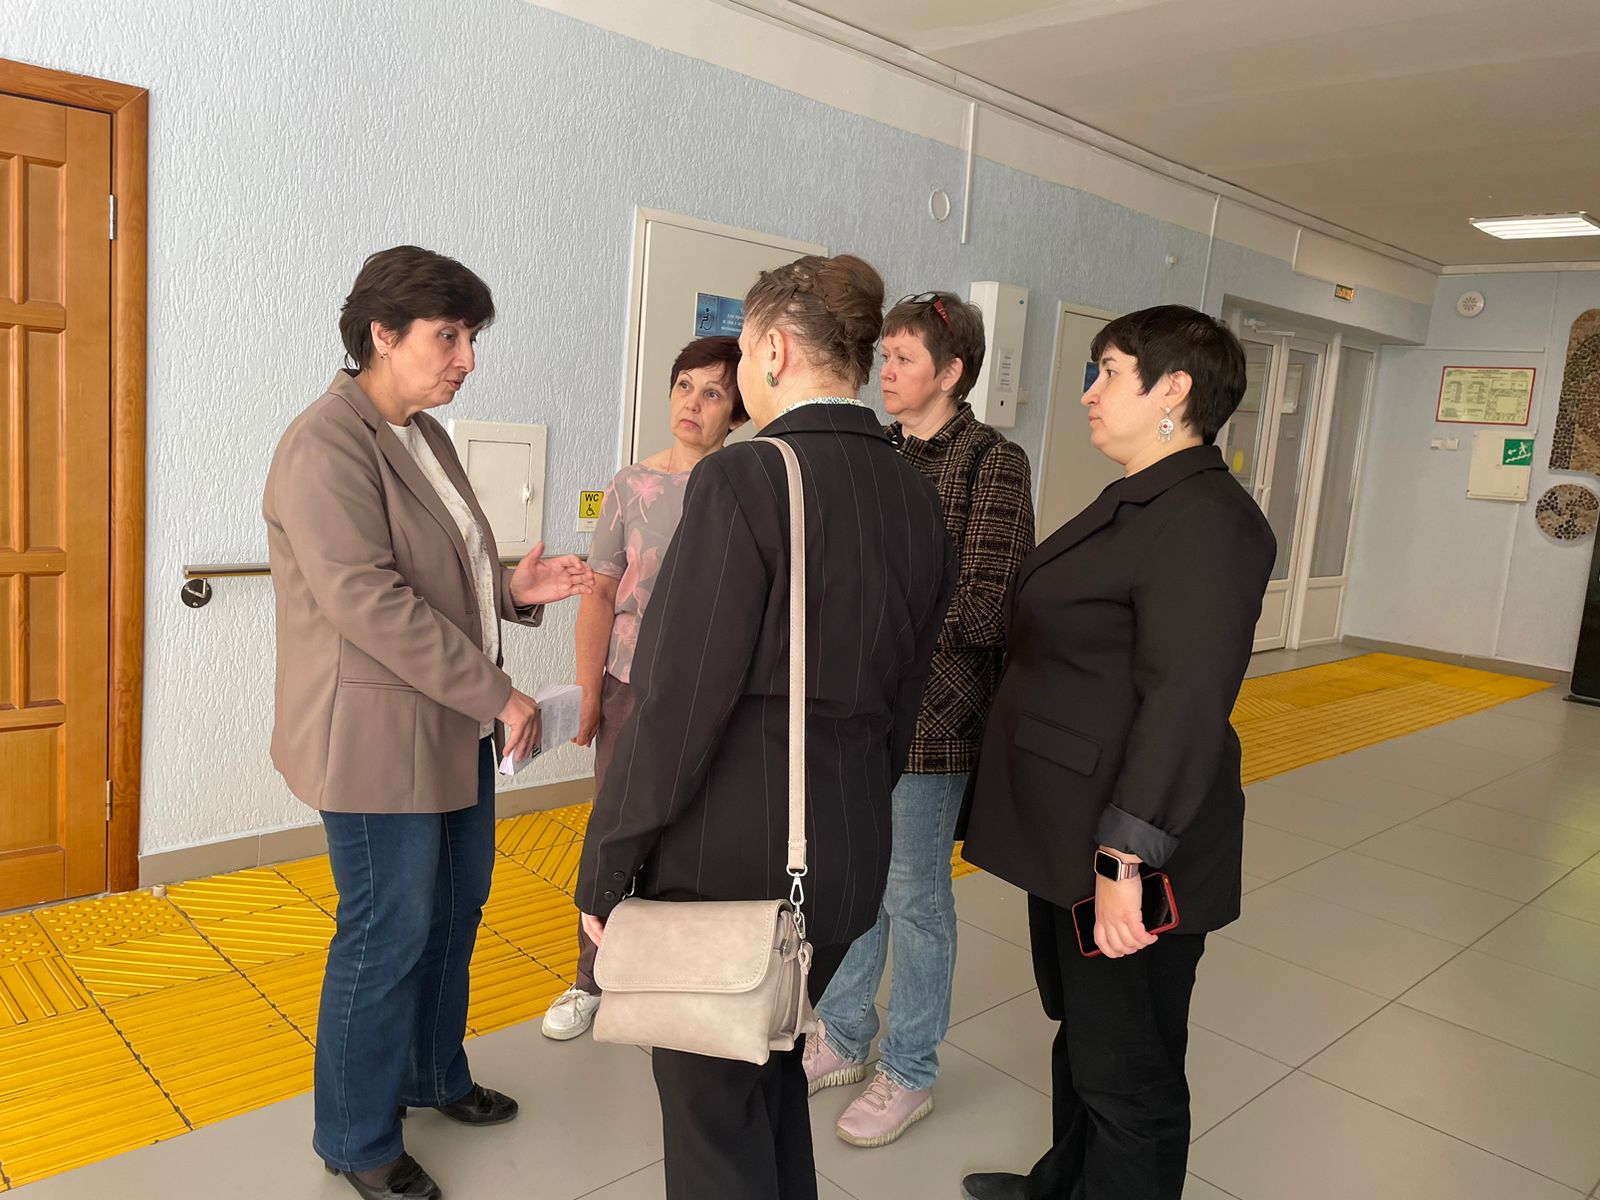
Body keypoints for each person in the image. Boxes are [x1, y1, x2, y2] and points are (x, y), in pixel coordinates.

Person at [575, 254, 957, 1200]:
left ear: (776, 350)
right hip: (846, 847)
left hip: (734, 861)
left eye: (745, 354)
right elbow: (905, 694)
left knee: (713, 1119)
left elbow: (675, 703)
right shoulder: (913, 490)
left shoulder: (745, 477)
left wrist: (607, 863)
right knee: (771, 1073)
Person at [263, 246, 593, 1200]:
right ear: (382, 333)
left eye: (471, 338)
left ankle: (432, 1074)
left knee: (453, 912)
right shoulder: (325, 445)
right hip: (374, 744)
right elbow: (371, 602)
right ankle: (357, 1138)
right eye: (449, 337)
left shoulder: (424, 436)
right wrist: (500, 693)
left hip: (447, 728)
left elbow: (441, 572)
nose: (467, 359)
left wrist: (511, 591)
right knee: (386, 932)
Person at [958, 305, 1275, 1200]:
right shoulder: (1142, 496)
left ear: (1173, 389)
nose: (1089, 393)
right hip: (1069, 825)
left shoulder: (1207, 521)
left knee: (1130, 1070)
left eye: (1107, 373)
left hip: (1127, 843)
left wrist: (1125, 857)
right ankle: (1065, 1184)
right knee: (1087, 1036)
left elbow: (1186, 702)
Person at [806, 291, 1034, 1146]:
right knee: (853, 879)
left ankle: (909, 1069)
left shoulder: (991, 463)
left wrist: (871, 607)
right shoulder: (878, 451)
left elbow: (987, 608)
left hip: (936, 719)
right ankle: (844, 1034)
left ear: (952, 372)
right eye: (886, 357)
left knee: (913, 895)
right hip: (858, 710)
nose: (886, 372)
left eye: (904, 359)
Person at [541, 335, 748, 1041]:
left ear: (737, 413)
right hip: (630, 683)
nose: (693, 403)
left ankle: (675, 975)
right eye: (684, 386)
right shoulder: (631, 484)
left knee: (698, 833)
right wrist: (589, 691)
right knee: (613, 828)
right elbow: (600, 594)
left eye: (713, 393)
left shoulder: (746, 487)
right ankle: (590, 979)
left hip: (716, 691)